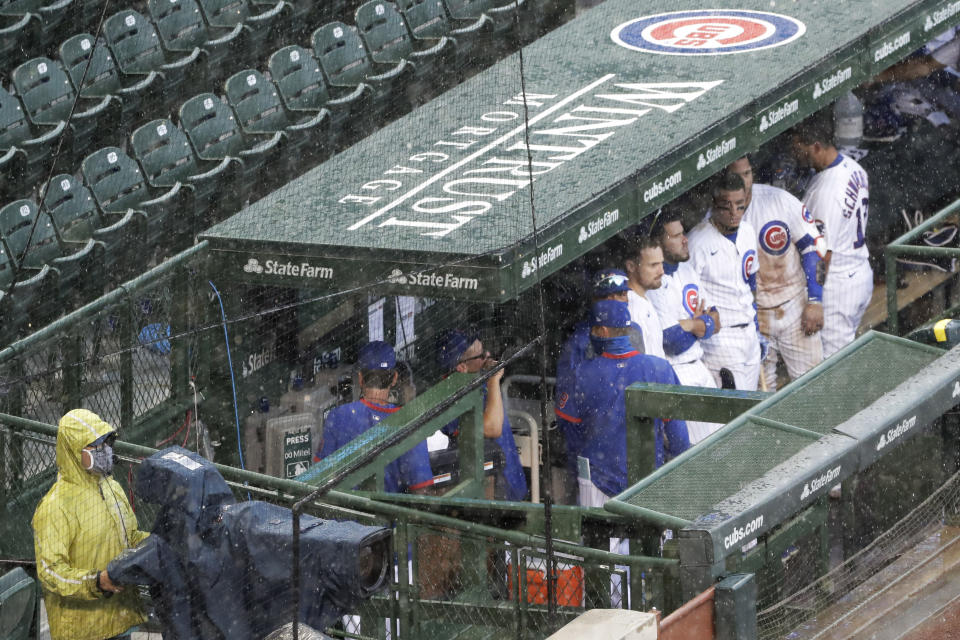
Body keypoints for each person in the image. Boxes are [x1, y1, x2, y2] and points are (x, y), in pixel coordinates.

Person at [555, 300, 690, 506]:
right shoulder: (659, 368)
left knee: (596, 537)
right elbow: (679, 436)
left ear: (602, 330)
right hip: (649, 479)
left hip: (597, 481)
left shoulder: (581, 373)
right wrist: (674, 479)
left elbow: (571, 435)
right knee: (651, 537)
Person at [32, 409, 150, 640]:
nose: (104, 451)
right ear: (74, 452)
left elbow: (129, 536)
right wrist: (96, 582)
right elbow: (50, 572)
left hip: (119, 619)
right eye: (94, 447)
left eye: (105, 443)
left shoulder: (111, 487)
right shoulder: (56, 506)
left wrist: (156, 543)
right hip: (83, 630)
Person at [727, 156, 827, 389]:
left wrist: (815, 300)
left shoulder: (778, 200)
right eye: (737, 175)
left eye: (747, 173)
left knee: (812, 384)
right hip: (755, 314)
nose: (744, 181)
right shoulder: (718, 218)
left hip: (794, 305)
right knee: (764, 393)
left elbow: (814, 248)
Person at [792, 112, 872, 359]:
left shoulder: (827, 193)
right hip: (859, 271)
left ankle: (854, 398)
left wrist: (816, 299)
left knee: (834, 364)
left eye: (800, 149)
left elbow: (821, 253)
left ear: (816, 147)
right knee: (843, 354)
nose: (796, 154)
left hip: (837, 286)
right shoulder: (854, 167)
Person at [554, 269, 643, 483]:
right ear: (596, 300)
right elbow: (567, 417)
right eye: (609, 296)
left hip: (633, 438)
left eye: (622, 294)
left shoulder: (634, 331)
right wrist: (584, 458)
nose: (619, 301)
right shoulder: (579, 343)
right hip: (596, 449)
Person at [646, 210, 725, 444]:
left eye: (683, 233)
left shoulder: (687, 270)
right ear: (660, 242)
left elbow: (716, 320)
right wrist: (701, 325)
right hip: (678, 370)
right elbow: (673, 342)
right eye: (676, 236)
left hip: (699, 365)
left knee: (722, 437)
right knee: (699, 448)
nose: (685, 239)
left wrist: (690, 325)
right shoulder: (656, 286)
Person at [314, 341, 434, 494]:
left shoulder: (338, 416)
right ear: (394, 378)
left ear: (361, 378)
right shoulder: (408, 421)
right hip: (387, 515)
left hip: (342, 515)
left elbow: (320, 478)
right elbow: (422, 490)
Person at [688, 172, 764, 390]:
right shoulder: (697, 242)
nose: (734, 213)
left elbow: (751, 282)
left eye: (739, 205)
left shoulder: (748, 231)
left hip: (748, 330)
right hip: (721, 338)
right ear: (714, 204)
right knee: (734, 409)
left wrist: (756, 326)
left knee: (750, 405)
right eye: (726, 206)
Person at [437, 330, 528, 502]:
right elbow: (492, 429)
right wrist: (493, 380)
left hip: (510, 480)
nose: (487, 355)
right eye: (480, 355)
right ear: (461, 367)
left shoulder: (476, 381)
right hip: (490, 490)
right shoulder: (448, 399)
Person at [624, 235, 667, 359]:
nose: (661, 271)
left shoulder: (642, 298)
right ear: (631, 266)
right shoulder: (631, 307)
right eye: (653, 265)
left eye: (661, 263)